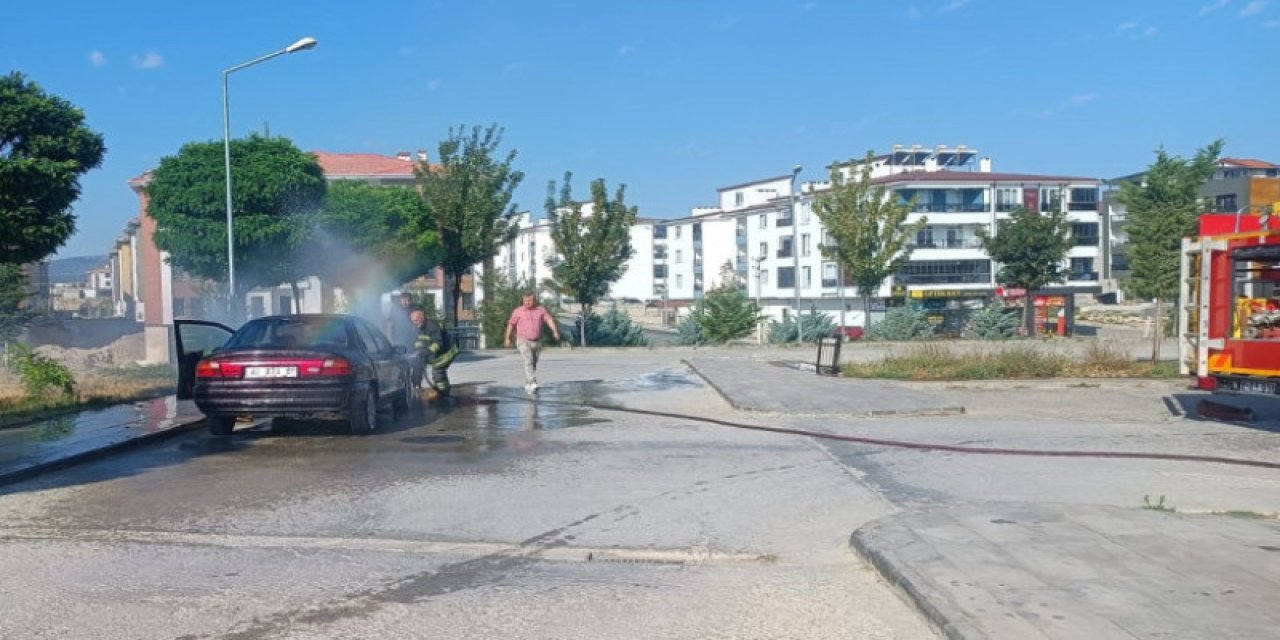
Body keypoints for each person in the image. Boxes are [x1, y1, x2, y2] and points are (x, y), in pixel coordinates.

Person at [504, 292, 560, 394]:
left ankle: (528, 382)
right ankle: (533, 381)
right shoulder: (518, 311)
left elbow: (549, 320)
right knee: (528, 360)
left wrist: (555, 331)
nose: (527, 303)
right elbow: (511, 324)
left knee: (533, 362)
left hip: (537, 341)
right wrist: (507, 338)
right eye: (525, 301)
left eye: (529, 300)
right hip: (523, 340)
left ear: (534, 300)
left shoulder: (541, 310)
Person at [410, 308, 459, 399]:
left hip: (447, 352)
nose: (414, 323)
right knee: (418, 365)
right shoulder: (416, 328)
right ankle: (418, 386)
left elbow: (438, 343)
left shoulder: (433, 326)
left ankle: (444, 393)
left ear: (423, 318)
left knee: (438, 371)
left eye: (416, 320)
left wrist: (425, 352)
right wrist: (418, 351)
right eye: (412, 321)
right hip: (435, 353)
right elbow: (417, 342)